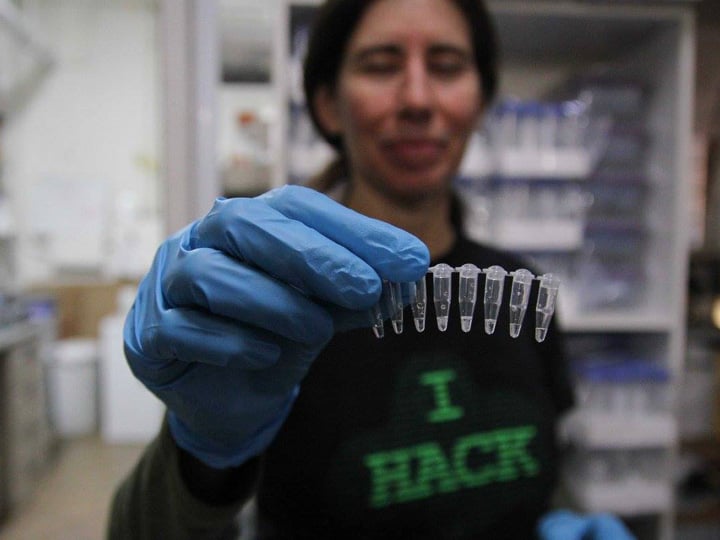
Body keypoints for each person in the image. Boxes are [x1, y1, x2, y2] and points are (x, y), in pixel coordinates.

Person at [108, 0, 635, 538]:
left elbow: (543, 474)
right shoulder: (273, 304)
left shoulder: (513, 295)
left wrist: (558, 519)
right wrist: (205, 455)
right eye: (381, 65)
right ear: (329, 106)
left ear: (479, 103)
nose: (417, 98)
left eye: (447, 66)